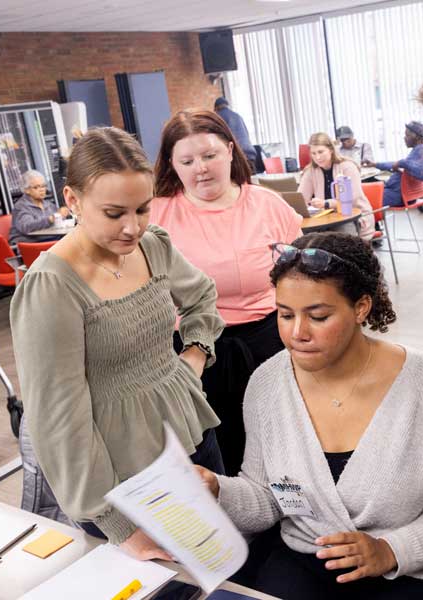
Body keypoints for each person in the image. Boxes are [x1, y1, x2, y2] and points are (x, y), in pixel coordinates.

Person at [196, 232, 423, 600]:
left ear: (361, 307)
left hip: (407, 569)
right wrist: (219, 490)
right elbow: (269, 496)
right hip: (303, 558)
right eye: (284, 315)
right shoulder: (268, 384)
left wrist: (389, 551)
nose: (297, 333)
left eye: (318, 316)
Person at [10, 127, 225, 560]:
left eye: (142, 209)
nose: (133, 227)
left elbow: (202, 296)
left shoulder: (153, 246)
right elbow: (59, 417)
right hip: (123, 471)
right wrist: (117, 524)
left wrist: (194, 355)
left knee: (221, 564)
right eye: (113, 213)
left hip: (191, 435)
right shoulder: (53, 287)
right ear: (72, 201)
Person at [151, 109, 303, 476]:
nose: (200, 168)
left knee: (283, 445)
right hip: (194, 349)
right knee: (218, 453)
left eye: (209, 155)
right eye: (187, 160)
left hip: (269, 340)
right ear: (172, 165)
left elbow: (302, 279)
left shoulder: (266, 204)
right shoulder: (157, 214)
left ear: (231, 152)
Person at [298, 132, 375, 241]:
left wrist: (326, 203)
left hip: (352, 216)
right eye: (313, 153)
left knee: (342, 236)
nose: (317, 157)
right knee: (303, 237)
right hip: (325, 218)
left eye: (320, 152)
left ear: (331, 150)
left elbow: (352, 199)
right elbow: (301, 197)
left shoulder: (348, 167)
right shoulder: (310, 171)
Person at [363, 121, 423, 208]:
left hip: (399, 195)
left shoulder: (422, 151)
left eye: (407, 135)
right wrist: (375, 164)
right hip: (397, 192)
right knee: (367, 194)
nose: (404, 138)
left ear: (416, 137)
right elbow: (395, 164)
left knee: (363, 198)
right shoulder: (417, 152)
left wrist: (402, 163)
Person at [8, 170, 69, 244]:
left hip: (48, 240)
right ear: (26, 190)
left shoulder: (48, 204)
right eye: (36, 187)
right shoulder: (21, 207)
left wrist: (63, 214)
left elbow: (57, 220)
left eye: (43, 186)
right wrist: (50, 219)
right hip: (29, 243)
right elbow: (27, 227)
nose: (42, 190)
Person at [214, 97, 257, 171]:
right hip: (250, 155)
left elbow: (217, 139)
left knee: (236, 182)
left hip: (236, 156)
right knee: (250, 181)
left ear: (216, 108)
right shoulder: (237, 116)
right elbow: (246, 134)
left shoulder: (218, 117)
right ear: (227, 105)